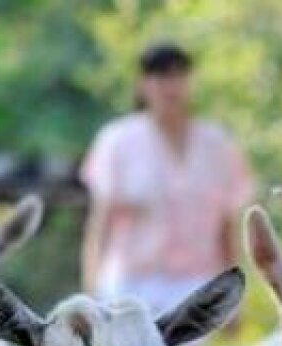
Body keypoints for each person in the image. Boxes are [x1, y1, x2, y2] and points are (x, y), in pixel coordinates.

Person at [81, 42, 253, 315]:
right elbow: (100, 224)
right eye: (161, 77)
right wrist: (91, 291)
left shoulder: (217, 144)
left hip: (195, 284)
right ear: (143, 84)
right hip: (131, 283)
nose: (171, 86)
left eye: (179, 76)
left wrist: (232, 298)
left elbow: (226, 227)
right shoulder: (117, 141)